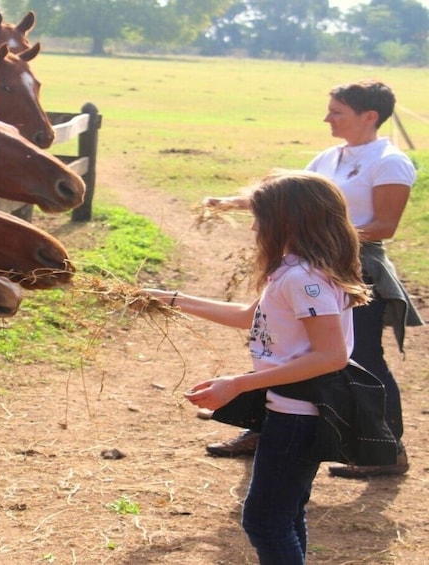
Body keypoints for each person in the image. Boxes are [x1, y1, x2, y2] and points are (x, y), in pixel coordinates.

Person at [145, 171, 396, 564]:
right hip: (294, 411)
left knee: (264, 521)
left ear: (287, 221)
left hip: (298, 416)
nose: (253, 225)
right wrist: (173, 299)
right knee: (284, 513)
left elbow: (330, 355)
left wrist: (239, 384)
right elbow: (250, 315)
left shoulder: (303, 278)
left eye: (260, 217)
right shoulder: (296, 269)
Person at [201, 80, 422, 478]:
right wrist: (236, 202)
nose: (327, 118)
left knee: (364, 359)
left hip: (357, 268)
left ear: (369, 116)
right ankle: (264, 426)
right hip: (313, 257)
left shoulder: (390, 162)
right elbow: (294, 199)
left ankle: (386, 447)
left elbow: (385, 226)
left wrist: (322, 238)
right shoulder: (328, 157)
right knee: (279, 343)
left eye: (337, 111)